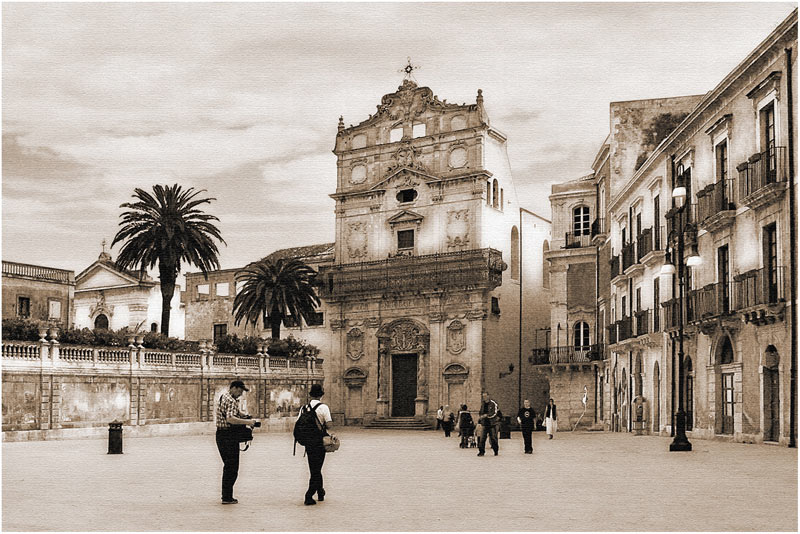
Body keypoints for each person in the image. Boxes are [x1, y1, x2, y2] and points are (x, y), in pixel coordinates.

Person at [216, 380, 259, 505]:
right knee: (232, 467)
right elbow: (230, 418)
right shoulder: (230, 400)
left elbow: (232, 413)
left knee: (229, 466)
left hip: (221, 435)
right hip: (228, 435)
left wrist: (244, 416)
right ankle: (227, 497)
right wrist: (248, 422)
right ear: (233, 388)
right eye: (240, 391)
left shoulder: (224, 397)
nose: (241, 394)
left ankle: (226, 495)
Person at [298, 383, 335, 506]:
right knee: (316, 470)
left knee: (314, 468)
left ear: (311, 395)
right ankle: (308, 496)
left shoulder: (304, 408)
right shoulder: (323, 407)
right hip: (319, 442)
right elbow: (329, 425)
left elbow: (299, 423)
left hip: (308, 443)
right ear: (321, 395)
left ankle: (320, 492)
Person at [477, 392, 499, 456]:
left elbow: (495, 413)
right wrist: (481, 417)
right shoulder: (483, 404)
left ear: (488, 396)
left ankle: (495, 450)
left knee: (493, 438)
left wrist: (487, 415)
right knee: (482, 438)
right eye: (483, 396)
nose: (484, 398)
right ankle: (481, 451)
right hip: (484, 424)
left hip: (492, 424)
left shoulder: (493, 404)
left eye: (485, 396)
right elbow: (480, 412)